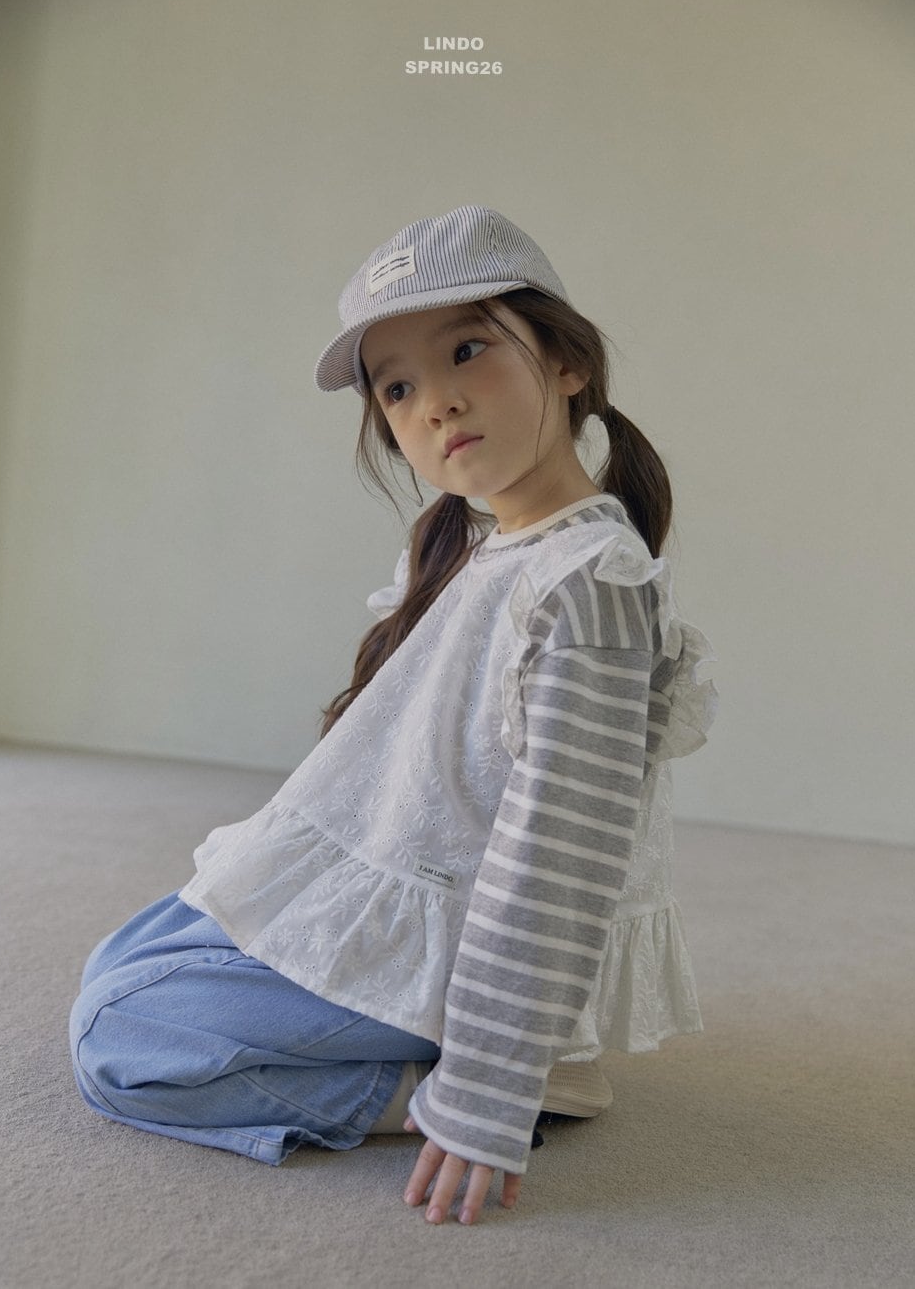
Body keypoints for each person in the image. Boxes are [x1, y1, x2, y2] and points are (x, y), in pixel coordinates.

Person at [69, 205, 718, 1226]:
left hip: (469, 946)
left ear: (565, 362)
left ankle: (477, 1079)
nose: (436, 402)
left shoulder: (591, 582)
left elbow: (558, 862)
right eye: (398, 386)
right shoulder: (484, 543)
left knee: (121, 1038)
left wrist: (488, 1084)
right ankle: (473, 1049)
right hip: (396, 884)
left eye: (467, 350)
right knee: (120, 961)